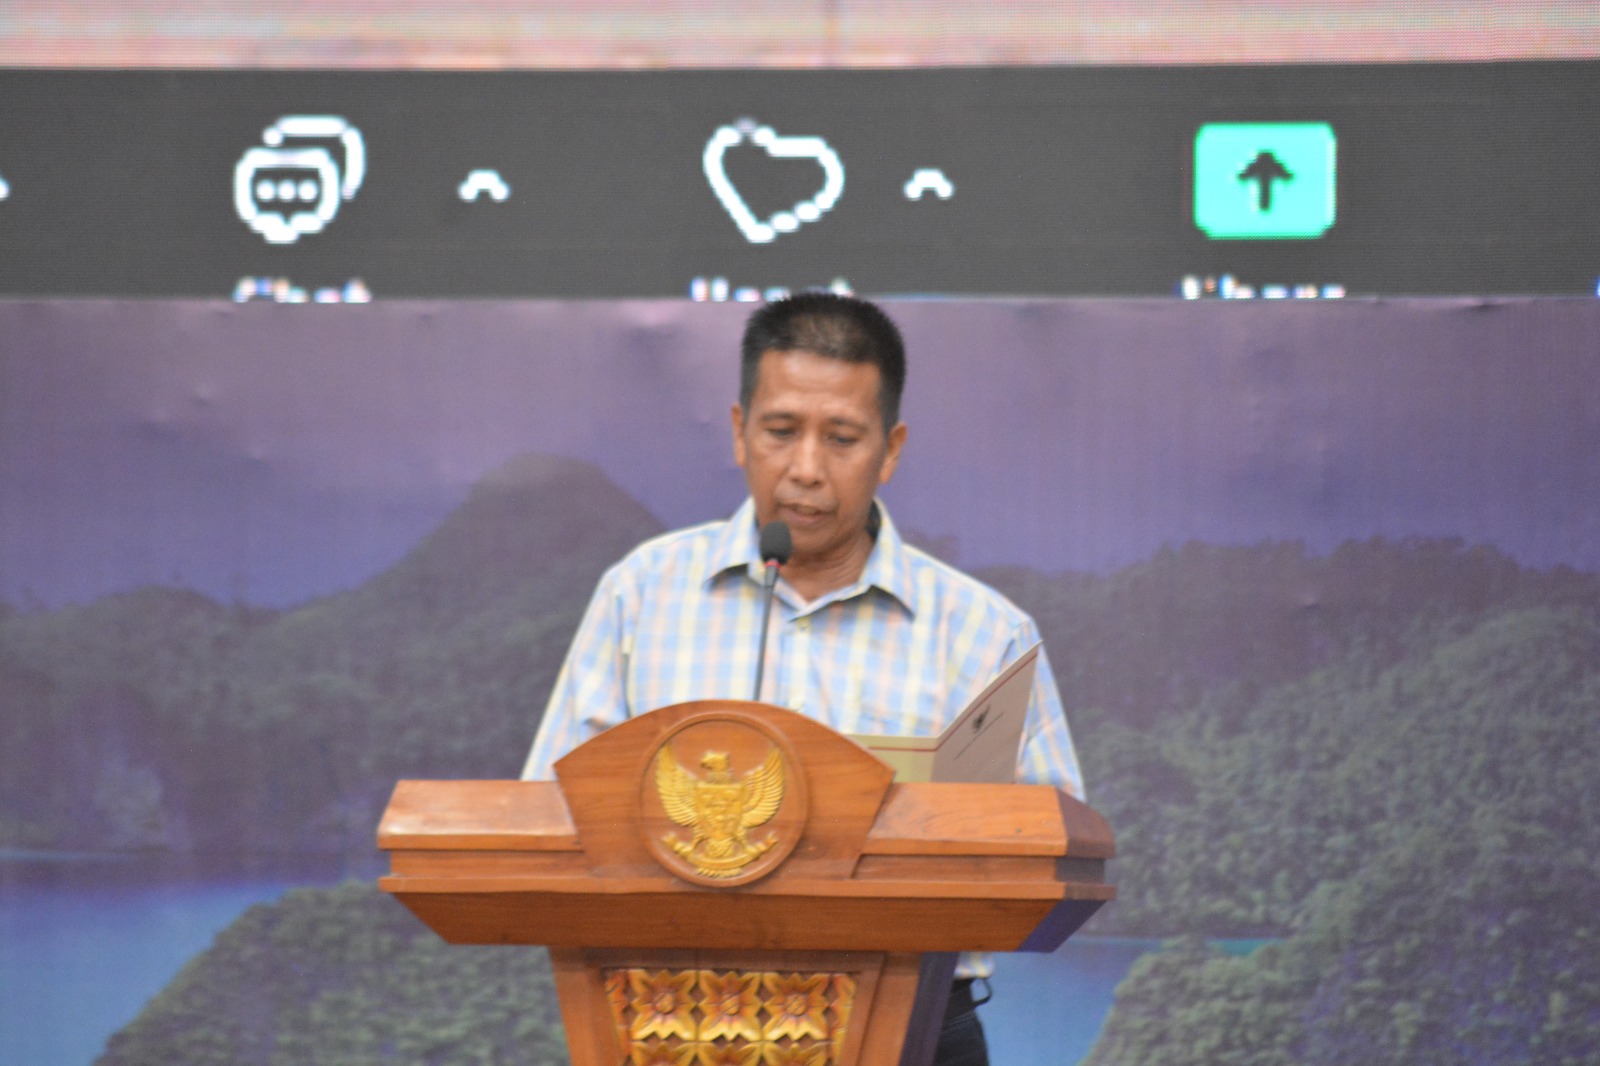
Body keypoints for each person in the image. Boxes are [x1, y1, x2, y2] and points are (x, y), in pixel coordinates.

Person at [522, 292, 1084, 1066]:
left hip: (916, 1030)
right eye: (781, 432)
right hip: (680, 1026)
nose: (807, 469)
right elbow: (548, 819)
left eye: (842, 439)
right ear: (738, 432)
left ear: (890, 450)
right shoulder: (640, 596)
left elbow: (1054, 852)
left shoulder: (984, 632)